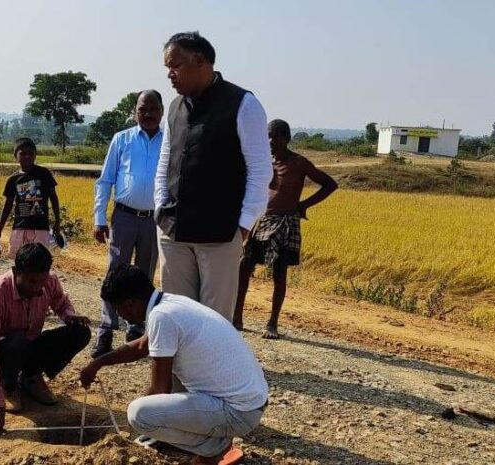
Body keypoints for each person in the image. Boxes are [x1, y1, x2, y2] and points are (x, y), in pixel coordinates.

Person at [80, 265, 268, 465]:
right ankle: (211, 445)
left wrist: (133, 431)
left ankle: (213, 447)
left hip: (237, 412)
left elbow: (160, 389)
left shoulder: (162, 317)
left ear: (129, 304)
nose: (120, 316)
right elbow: (142, 346)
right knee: (147, 413)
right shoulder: (170, 303)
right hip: (250, 404)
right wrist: (98, 363)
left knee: (139, 414)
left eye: (118, 310)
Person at [155, 31, 271, 322]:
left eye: (175, 65)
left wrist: (243, 226)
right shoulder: (174, 108)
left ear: (200, 61)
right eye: (168, 67)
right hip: (173, 230)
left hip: (219, 235)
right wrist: (160, 205)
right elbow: (165, 161)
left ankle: (211, 370)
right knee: (177, 316)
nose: (170, 74)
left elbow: (260, 170)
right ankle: (179, 370)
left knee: (213, 323)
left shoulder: (243, 104)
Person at [233, 119, 339, 339]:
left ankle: (272, 324)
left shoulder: (298, 163)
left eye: (274, 136)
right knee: (244, 266)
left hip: (285, 222)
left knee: (279, 271)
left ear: (286, 138)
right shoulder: (265, 161)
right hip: (261, 220)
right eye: (267, 136)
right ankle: (237, 318)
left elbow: (330, 184)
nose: (270, 141)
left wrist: (303, 205)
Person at [0, 243, 92, 433]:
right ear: (15, 271)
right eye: (31, 282)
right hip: (8, 352)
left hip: (31, 345)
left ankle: (30, 377)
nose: (37, 288)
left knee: (80, 332)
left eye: (41, 281)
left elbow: (61, 303)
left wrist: (70, 316)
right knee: (18, 341)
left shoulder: (49, 281)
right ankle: (8, 384)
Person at [90, 89, 165, 357]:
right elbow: (106, 180)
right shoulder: (121, 140)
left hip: (154, 220)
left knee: (145, 275)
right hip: (123, 217)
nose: (148, 114)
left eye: (153, 109)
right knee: (115, 273)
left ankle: (137, 331)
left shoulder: (169, 142)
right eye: (142, 109)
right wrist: (99, 218)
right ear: (134, 112)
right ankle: (106, 330)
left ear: (162, 112)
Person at [0, 138, 62, 257]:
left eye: (30, 153)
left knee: (40, 261)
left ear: (35, 155)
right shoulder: (13, 179)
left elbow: (53, 197)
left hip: (41, 227)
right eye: (22, 153)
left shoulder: (44, 173)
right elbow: (7, 206)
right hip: (20, 226)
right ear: (15, 156)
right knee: (18, 260)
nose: (27, 157)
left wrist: (57, 222)